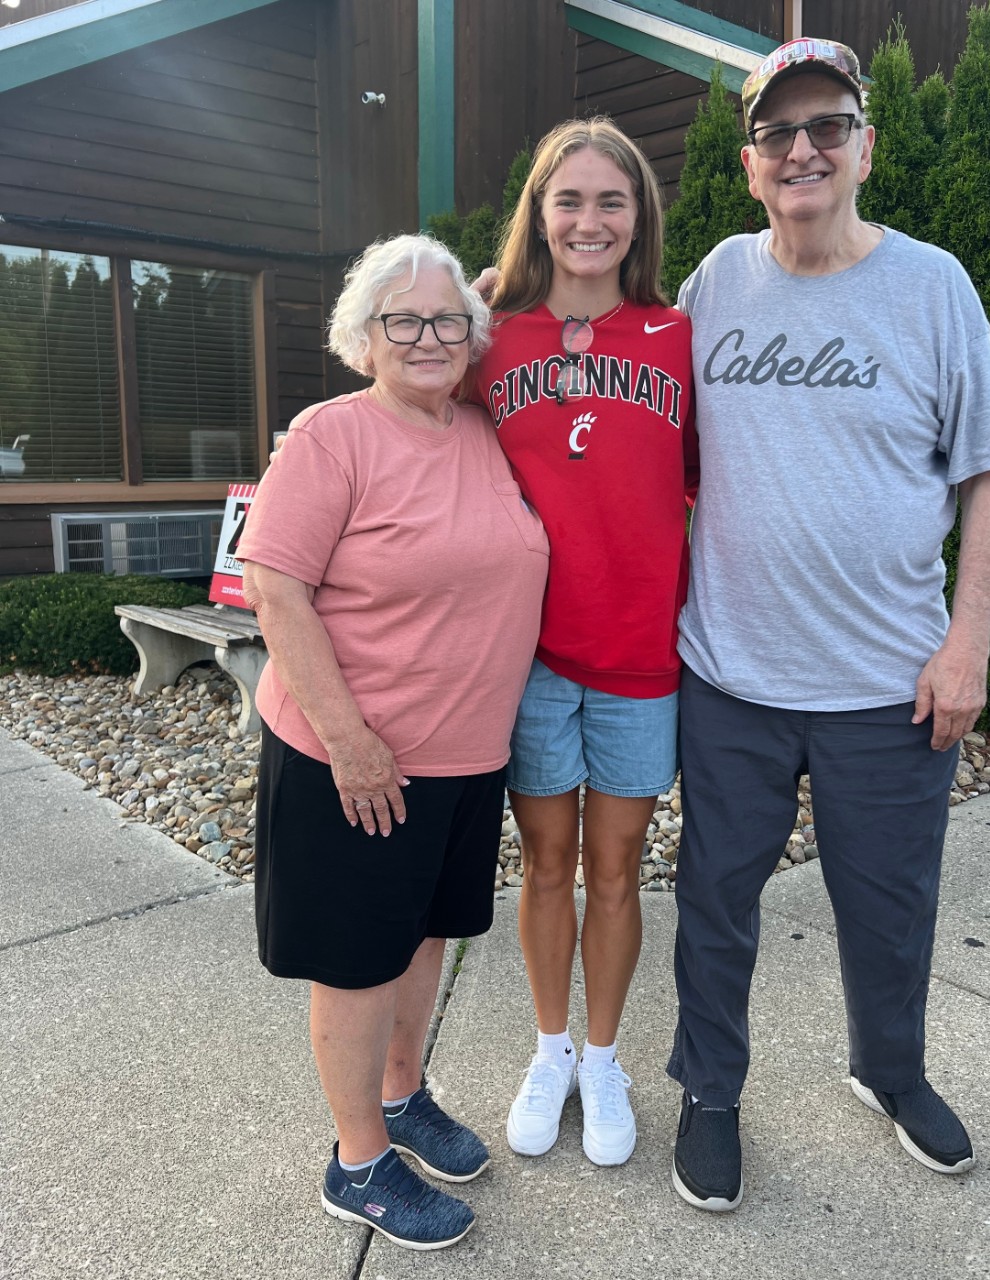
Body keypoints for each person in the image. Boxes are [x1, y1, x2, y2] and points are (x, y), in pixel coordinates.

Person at [667, 38, 990, 1212]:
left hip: (887, 683)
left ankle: (888, 1070)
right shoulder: (712, 282)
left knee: (888, 903)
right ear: (748, 162)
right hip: (730, 677)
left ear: (863, 147)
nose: (802, 149)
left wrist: (964, 640)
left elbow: (987, 472)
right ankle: (710, 1091)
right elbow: (646, 451)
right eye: (778, 133)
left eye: (826, 127)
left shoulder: (932, 286)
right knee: (715, 899)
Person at [239, 234, 548, 1250]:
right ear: (361, 337)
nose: (425, 337)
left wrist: (484, 288)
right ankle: (357, 1157)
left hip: (466, 757)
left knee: (424, 935)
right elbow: (274, 587)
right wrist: (349, 739)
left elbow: (502, 293)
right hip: (356, 758)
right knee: (359, 957)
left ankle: (404, 1093)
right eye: (399, 320)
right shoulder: (333, 437)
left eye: (445, 321)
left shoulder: (478, 428)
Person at [470, 118, 697, 1167]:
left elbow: (710, 478)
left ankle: (603, 1059)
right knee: (544, 861)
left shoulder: (679, 338)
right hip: (529, 659)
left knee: (616, 868)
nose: (589, 219)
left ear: (638, 215)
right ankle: (549, 1046)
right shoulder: (487, 333)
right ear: (538, 213)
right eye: (569, 200)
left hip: (639, 657)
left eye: (611, 200)